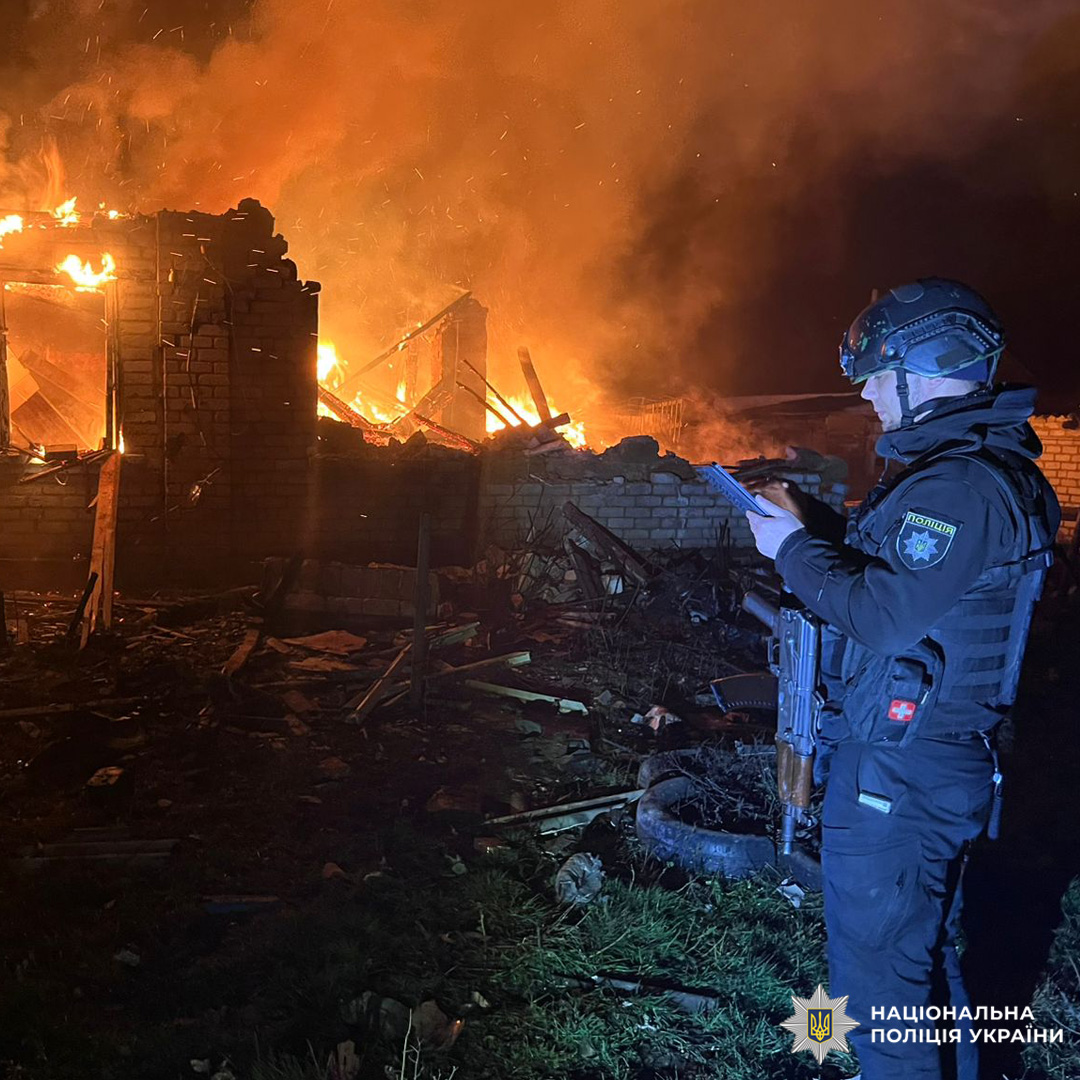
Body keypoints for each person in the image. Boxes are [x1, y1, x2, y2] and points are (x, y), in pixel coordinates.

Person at [746, 278, 1060, 1080]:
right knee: (921, 961)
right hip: (933, 756)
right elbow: (908, 579)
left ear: (928, 370)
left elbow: (882, 614)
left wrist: (788, 548)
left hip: (903, 772)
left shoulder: (958, 485)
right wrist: (812, 526)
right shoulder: (977, 471)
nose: (871, 397)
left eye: (880, 379)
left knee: (880, 983)